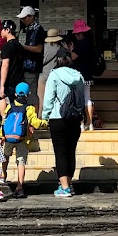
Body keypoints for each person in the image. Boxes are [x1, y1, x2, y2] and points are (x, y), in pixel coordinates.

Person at [41, 49, 86, 197]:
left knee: (60, 153)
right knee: (70, 151)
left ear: (58, 60)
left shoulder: (54, 75)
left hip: (57, 117)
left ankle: (64, 187)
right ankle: (69, 183)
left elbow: (48, 98)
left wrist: (45, 116)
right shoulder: (78, 76)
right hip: (74, 117)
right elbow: (82, 99)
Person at [0, 81, 47, 199]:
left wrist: (1, 135)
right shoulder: (29, 108)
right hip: (23, 139)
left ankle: (3, 174)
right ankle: (19, 186)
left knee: (5, 155)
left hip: (9, 138)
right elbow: (35, 123)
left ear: (15, 94)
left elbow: (4, 122)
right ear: (28, 94)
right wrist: (45, 122)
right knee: (21, 162)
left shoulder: (10, 106)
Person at [17, 6, 46, 107]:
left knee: (31, 94)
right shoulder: (26, 29)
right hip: (25, 67)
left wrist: (22, 46)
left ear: (31, 16)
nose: (23, 20)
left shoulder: (38, 29)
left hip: (33, 67)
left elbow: (39, 49)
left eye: (24, 18)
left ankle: (34, 118)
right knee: (28, 92)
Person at [69, 19, 95, 131]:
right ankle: (90, 124)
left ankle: (81, 124)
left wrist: (69, 50)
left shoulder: (79, 45)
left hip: (78, 75)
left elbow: (73, 57)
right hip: (88, 74)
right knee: (88, 98)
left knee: (78, 99)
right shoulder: (90, 43)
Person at [0, 19, 26, 116]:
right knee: (16, 103)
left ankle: (4, 121)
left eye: (2, 29)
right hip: (20, 79)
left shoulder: (6, 46)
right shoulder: (20, 46)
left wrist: (2, 86)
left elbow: (5, 66)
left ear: (8, 30)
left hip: (9, 81)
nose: (0, 31)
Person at [39, 28, 63, 105]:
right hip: (54, 75)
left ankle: (41, 115)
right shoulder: (60, 48)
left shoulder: (43, 47)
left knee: (41, 98)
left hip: (43, 75)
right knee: (54, 98)